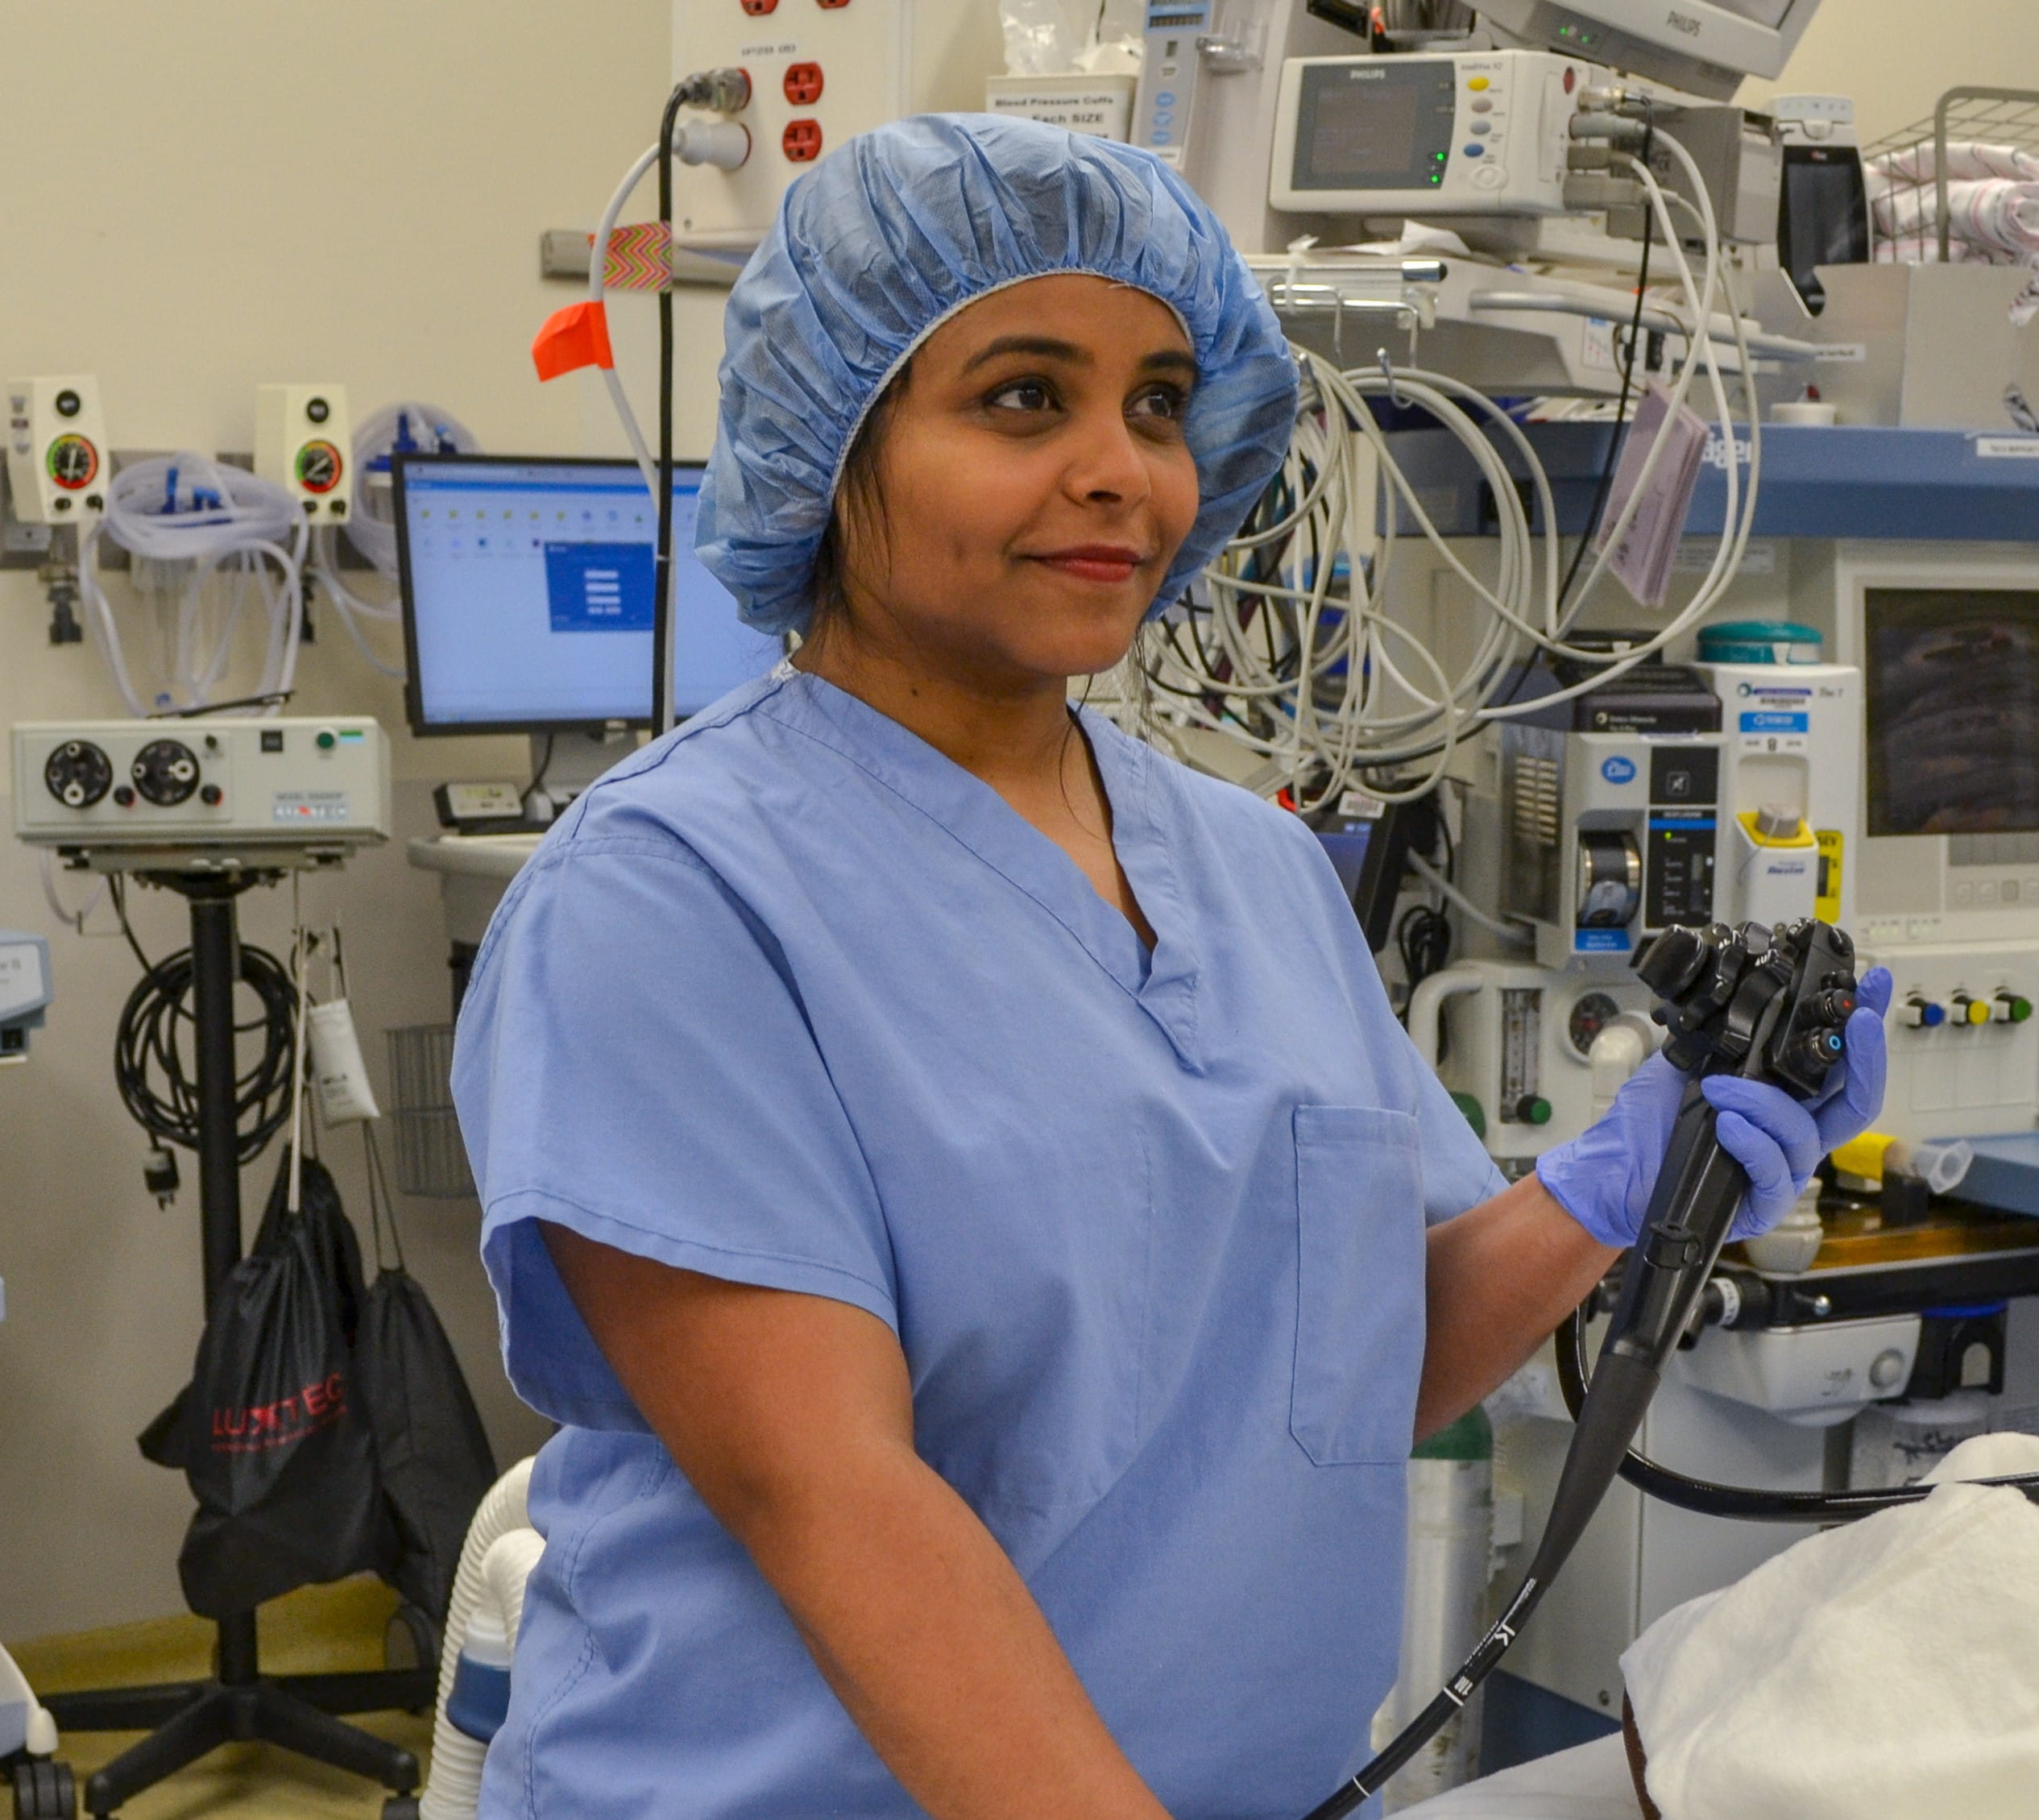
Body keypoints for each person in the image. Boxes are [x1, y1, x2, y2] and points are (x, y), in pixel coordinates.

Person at [451, 113, 1890, 1820]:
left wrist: (1629, 1173)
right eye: (1018, 398)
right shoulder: (671, 896)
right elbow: (828, 1491)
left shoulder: (1254, 864)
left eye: (1155, 403)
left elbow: (1351, 1373)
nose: (1120, 467)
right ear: (832, 449)